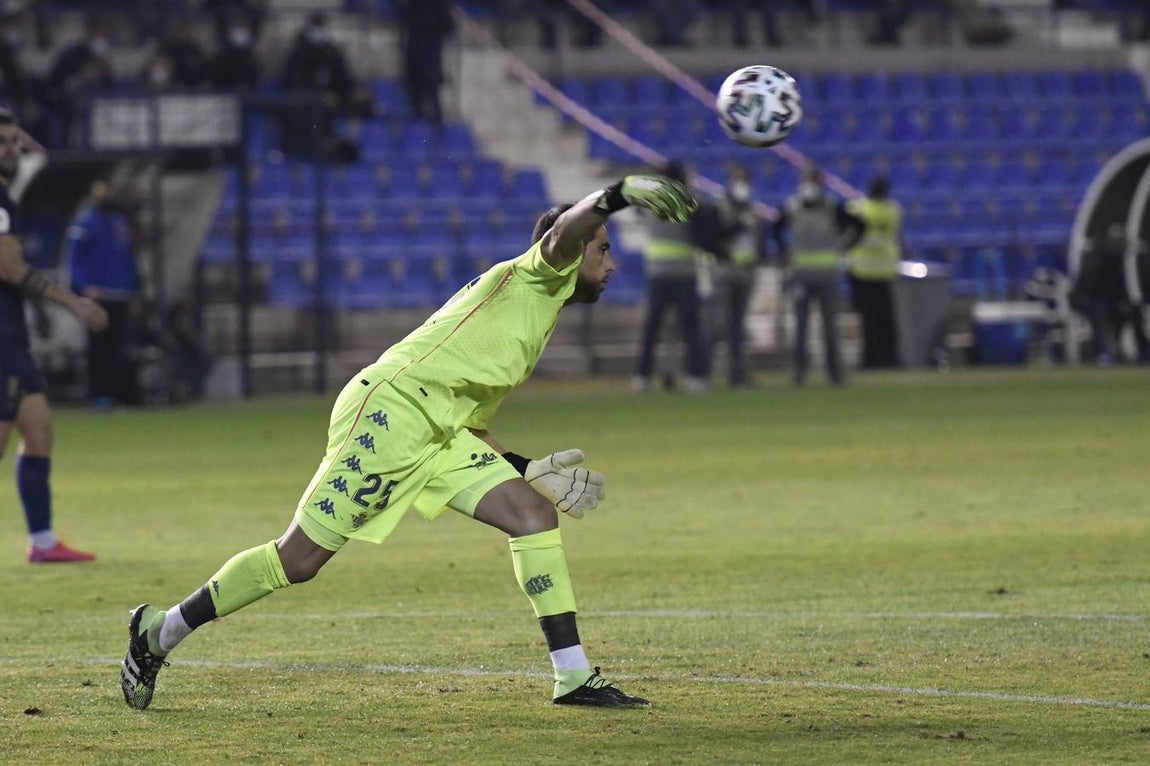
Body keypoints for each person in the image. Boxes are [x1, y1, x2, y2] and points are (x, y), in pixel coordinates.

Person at [119, 174, 697, 711]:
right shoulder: (536, 273)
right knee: (298, 561)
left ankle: (572, 676)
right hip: (391, 414)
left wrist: (525, 466)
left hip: (436, 428)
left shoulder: (536, 312)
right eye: (603, 249)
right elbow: (565, 232)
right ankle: (159, 630)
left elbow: (467, 420)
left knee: (532, 513)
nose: (611, 263)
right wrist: (617, 193)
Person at [0, 110, 108, 562]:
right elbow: (12, 269)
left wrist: (16, 136)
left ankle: (42, 542)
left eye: (12, 141)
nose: (10, 150)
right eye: (1, 143)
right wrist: (75, 303)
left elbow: (37, 156)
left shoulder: (6, 193)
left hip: (11, 333)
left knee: (38, 430)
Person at [776, 163, 863, 387]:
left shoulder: (832, 207)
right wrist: (784, 248)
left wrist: (845, 245)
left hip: (826, 275)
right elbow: (775, 230)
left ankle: (834, 374)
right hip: (802, 275)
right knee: (802, 328)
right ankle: (800, 373)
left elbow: (859, 225)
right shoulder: (793, 207)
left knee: (830, 328)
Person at [64, 179, 143, 409]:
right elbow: (74, 261)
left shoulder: (119, 223)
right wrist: (84, 286)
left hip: (120, 294)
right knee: (99, 348)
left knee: (119, 347)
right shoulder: (84, 223)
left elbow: (128, 259)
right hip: (98, 296)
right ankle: (98, 395)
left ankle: (117, 393)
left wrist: (132, 289)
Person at [633, 162, 709, 393]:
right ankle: (696, 376)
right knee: (691, 329)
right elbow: (702, 228)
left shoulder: (652, 202)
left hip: (658, 273)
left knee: (652, 330)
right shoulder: (690, 202)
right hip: (684, 273)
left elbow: (635, 202)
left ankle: (642, 377)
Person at [697, 166, 763, 388]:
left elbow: (758, 241)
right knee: (716, 326)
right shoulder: (720, 207)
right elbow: (713, 237)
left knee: (737, 327)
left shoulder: (753, 210)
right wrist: (735, 228)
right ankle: (703, 374)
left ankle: (738, 375)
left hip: (745, 272)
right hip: (723, 272)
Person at [278, 12, 373, 161]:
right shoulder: (297, 54)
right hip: (306, 110)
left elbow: (343, 79)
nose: (319, 32)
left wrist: (355, 89)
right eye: (316, 28)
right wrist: (320, 97)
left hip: (329, 107)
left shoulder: (331, 52)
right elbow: (293, 83)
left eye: (321, 27)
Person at [846, 175, 903, 370]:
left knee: (869, 320)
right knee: (887, 319)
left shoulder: (859, 209)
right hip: (886, 270)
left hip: (862, 271)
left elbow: (847, 234)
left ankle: (871, 359)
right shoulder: (893, 210)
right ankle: (890, 358)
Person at [397, 0, 454, 125]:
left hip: (429, 41)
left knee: (430, 87)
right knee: (417, 87)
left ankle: (435, 126)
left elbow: (448, 23)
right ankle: (419, 124)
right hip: (418, 39)